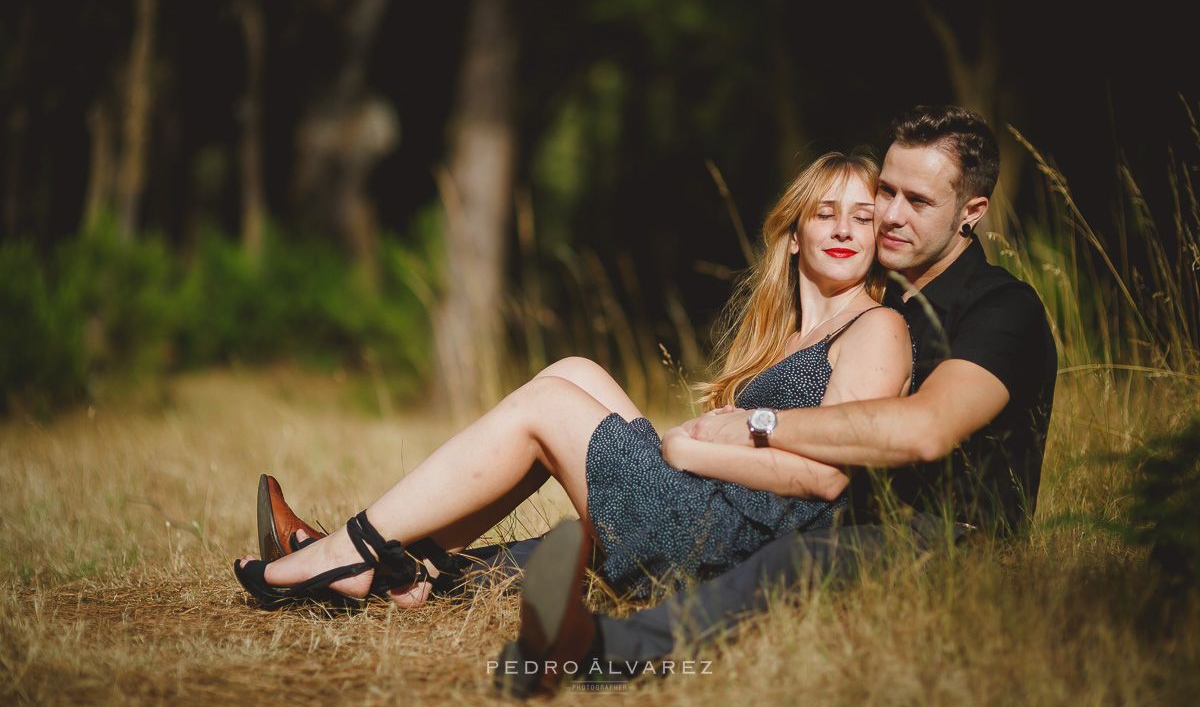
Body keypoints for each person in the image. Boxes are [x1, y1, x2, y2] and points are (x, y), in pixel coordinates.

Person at [496, 105, 1058, 697]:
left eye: (917, 202)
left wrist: (760, 423)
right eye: (886, 191)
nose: (889, 216)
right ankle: (435, 569)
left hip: (948, 539)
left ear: (972, 212)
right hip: (836, 513)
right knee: (609, 519)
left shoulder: (1001, 309)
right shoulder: (884, 296)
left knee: (792, 562)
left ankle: (599, 652)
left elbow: (925, 431)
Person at [232, 152, 913, 611]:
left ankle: (351, 552)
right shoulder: (787, 337)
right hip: (711, 513)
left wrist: (688, 451)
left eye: (862, 218)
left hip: (731, 545)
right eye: (826, 213)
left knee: (549, 404)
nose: (845, 229)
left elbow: (830, 478)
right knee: (573, 371)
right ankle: (420, 567)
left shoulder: (875, 329)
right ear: (793, 234)